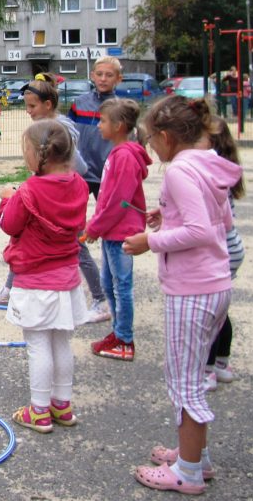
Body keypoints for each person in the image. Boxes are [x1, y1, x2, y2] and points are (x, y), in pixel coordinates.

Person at [123, 96, 241, 495]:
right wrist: (168, 216)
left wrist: (151, 240)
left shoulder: (179, 172)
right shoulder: (209, 163)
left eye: (152, 138)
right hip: (214, 285)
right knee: (190, 376)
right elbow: (220, 219)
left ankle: (188, 473)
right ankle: (195, 457)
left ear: (168, 136)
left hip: (193, 289)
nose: (151, 146)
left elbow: (201, 232)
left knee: (185, 382)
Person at [0, 120, 90, 434]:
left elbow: (10, 225)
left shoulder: (29, 191)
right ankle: (61, 405)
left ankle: (39, 411)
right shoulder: (79, 184)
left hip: (36, 281)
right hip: (67, 280)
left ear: (40, 157)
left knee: (38, 345)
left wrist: (7, 198)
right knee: (62, 342)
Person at [0, 77, 86, 305]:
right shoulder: (45, 180)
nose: (28, 111)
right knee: (29, 241)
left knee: (75, 247)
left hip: (39, 287)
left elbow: (9, 224)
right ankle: (8, 289)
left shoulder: (59, 128)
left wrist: (9, 199)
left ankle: (99, 297)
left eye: (32, 106)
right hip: (51, 192)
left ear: (47, 105)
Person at [85, 99, 150, 361]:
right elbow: (107, 196)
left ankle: (124, 339)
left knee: (122, 287)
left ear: (119, 126)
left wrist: (95, 227)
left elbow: (118, 201)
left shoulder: (125, 156)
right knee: (109, 284)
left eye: (103, 121)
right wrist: (96, 223)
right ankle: (118, 332)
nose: (98, 125)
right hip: (111, 230)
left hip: (120, 232)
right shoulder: (117, 152)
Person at [66, 57, 123, 324]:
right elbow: (69, 134)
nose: (103, 79)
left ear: (118, 79)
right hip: (81, 174)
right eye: (99, 74)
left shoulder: (121, 108)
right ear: (92, 74)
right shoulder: (79, 104)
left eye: (109, 75)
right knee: (73, 229)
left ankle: (112, 296)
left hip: (107, 177)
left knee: (111, 234)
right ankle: (89, 289)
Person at [202, 117, 245, 391]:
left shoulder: (210, 175)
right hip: (232, 246)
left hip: (221, 249)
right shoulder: (224, 170)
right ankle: (222, 363)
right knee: (220, 311)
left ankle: (207, 371)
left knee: (209, 314)